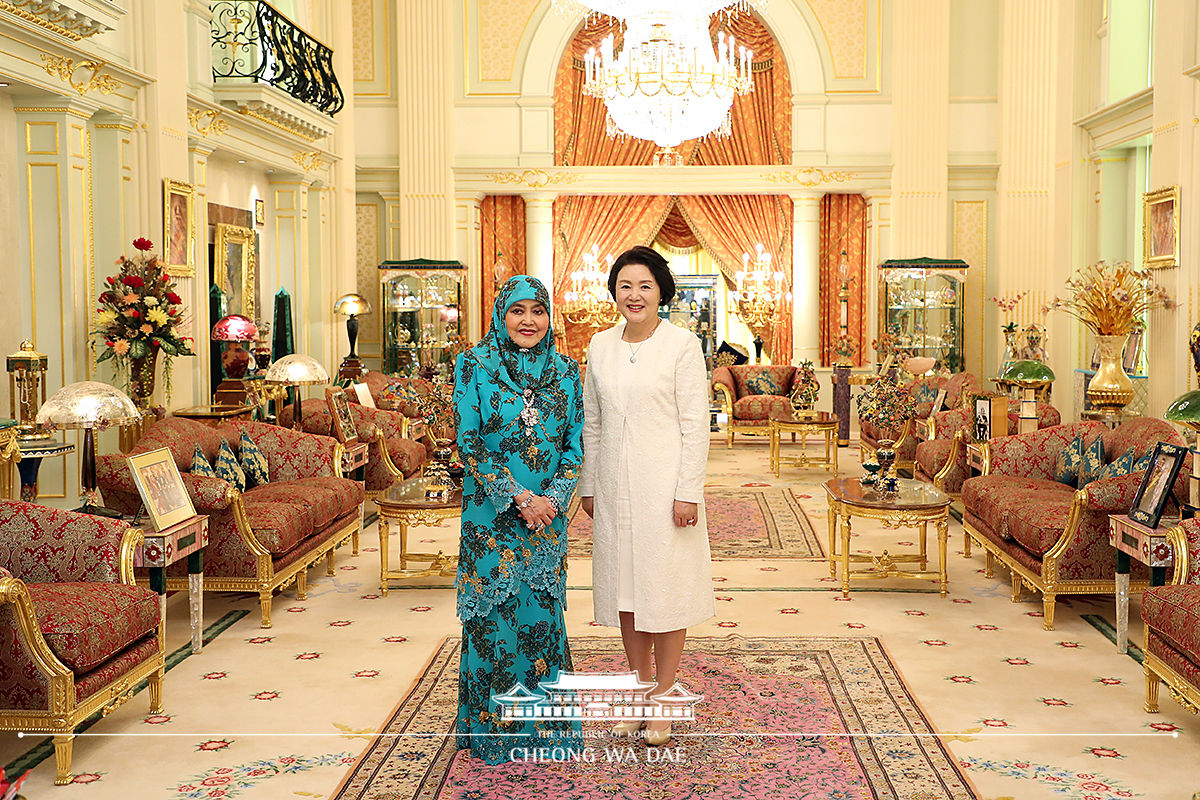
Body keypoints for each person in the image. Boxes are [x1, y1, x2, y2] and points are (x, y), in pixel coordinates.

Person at [578, 245, 715, 747]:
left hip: (664, 488)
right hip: (614, 488)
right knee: (626, 594)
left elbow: (695, 426)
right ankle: (638, 690)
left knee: (666, 593)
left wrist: (687, 491)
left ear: (662, 292)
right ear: (614, 292)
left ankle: (663, 696)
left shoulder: (682, 345)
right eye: (625, 286)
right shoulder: (599, 345)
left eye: (645, 286)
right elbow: (592, 421)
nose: (634, 295)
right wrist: (589, 484)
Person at [452, 275, 585, 765]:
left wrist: (551, 499)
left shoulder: (568, 372)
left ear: (549, 318)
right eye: (517, 310)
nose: (528, 320)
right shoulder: (473, 365)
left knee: (541, 617)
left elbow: (575, 447)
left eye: (538, 311)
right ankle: (495, 733)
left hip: (546, 520)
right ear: (500, 314)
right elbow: (470, 442)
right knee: (492, 619)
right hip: (491, 518)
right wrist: (518, 498)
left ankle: (547, 729)